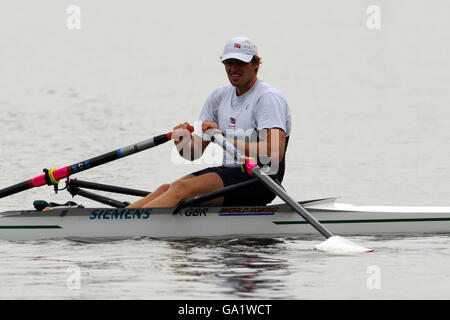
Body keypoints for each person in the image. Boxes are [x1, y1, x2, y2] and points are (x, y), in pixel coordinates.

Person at [128, 36, 291, 208]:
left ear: (256, 63)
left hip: (262, 178)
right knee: (165, 189)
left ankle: (131, 229)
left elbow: (274, 152)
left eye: (240, 63)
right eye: (229, 63)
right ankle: (122, 219)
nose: (233, 69)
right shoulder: (218, 97)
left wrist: (224, 137)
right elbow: (193, 153)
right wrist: (183, 142)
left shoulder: (267, 98)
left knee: (180, 189)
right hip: (232, 174)